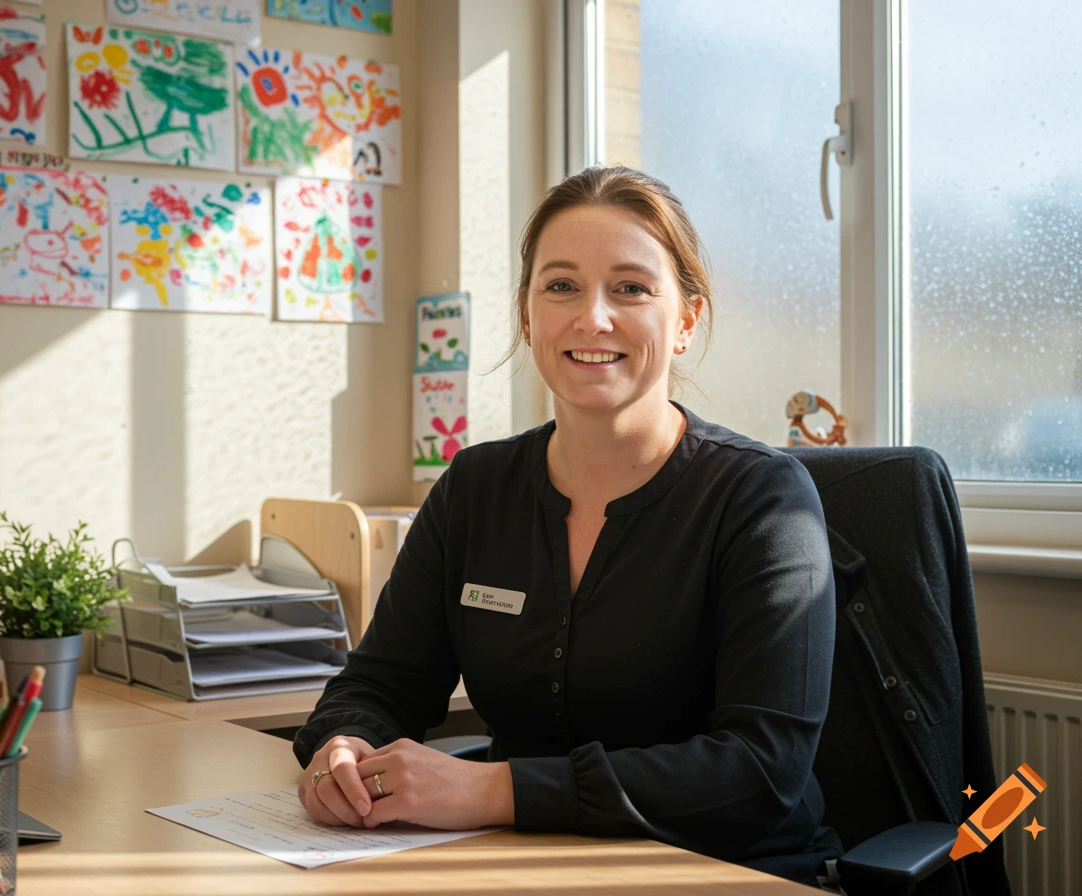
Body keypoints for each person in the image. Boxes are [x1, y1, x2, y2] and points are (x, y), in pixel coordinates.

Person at [293, 166, 844, 887]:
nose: (593, 318)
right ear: (528, 317)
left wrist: (494, 790)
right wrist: (342, 744)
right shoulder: (475, 487)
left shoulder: (762, 499)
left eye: (631, 288)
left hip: (729, 873)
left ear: (685, 321)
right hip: (526, 866)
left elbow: (760, 768)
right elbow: (383, 681)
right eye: (560, 286)